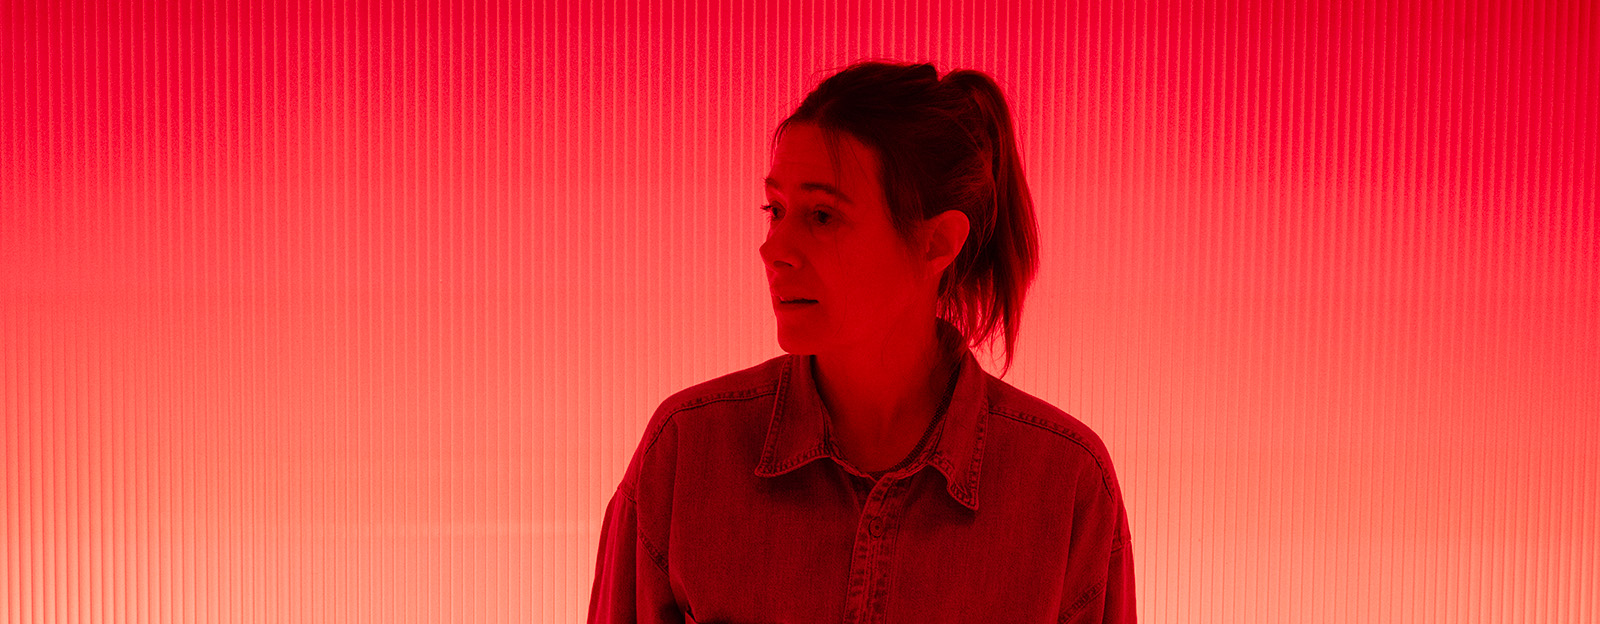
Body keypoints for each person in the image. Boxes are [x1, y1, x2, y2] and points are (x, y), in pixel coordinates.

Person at [588, 60, 1134, 623]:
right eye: (776, 210)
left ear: (937, 242)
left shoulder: (1066, 484)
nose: (774, 250)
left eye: (823, 215)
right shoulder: (686, 453)